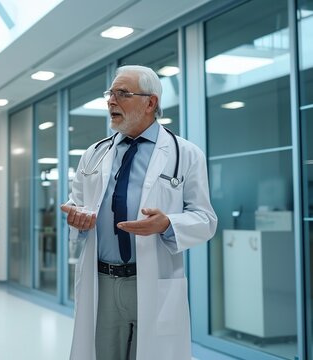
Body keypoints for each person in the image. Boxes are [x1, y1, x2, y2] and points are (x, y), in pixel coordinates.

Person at [61, 65, 217, 360]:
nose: (111, 101)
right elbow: (77, 204)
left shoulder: (186, 154)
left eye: (122, 93)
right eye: (110, 93)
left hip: (153, 279)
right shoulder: (94, 154)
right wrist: (77, 218)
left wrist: (168, 223)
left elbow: (206, 219)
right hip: (102, 282)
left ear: (150, 103)